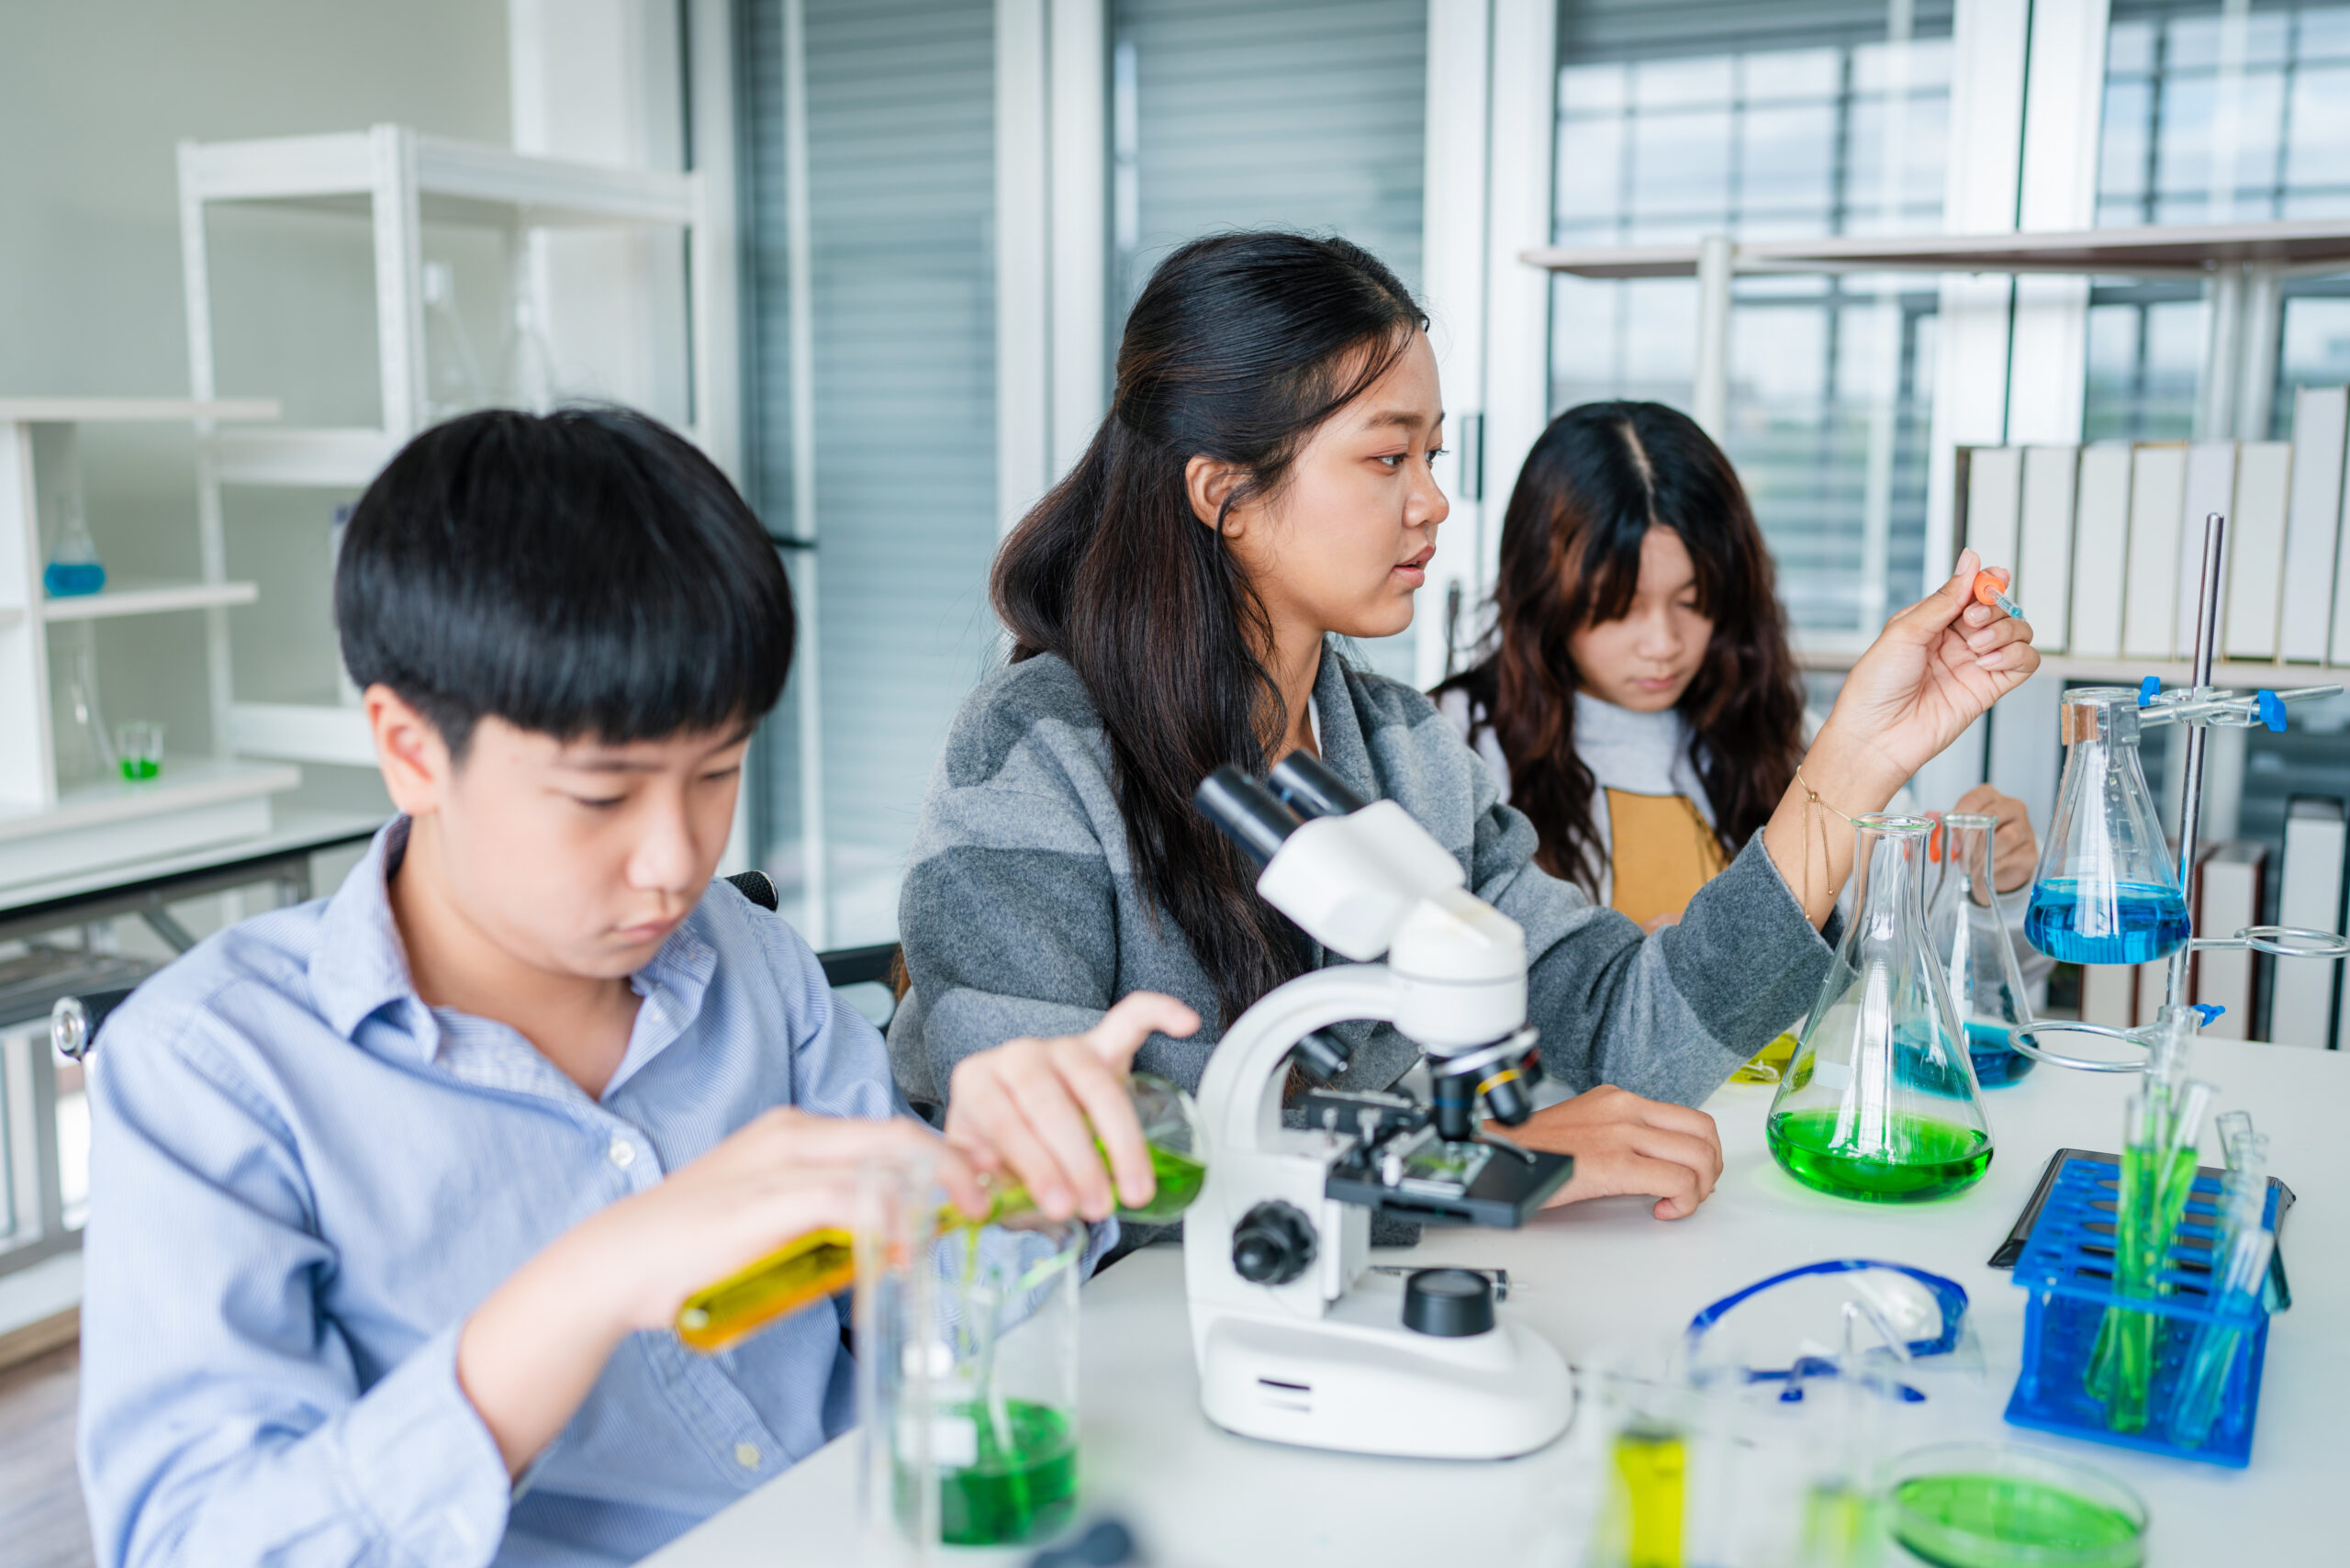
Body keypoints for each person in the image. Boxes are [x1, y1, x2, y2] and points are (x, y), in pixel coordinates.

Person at [76, 408, 1196, 1568]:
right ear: (411, 750)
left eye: (717, 771)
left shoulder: (744, 957)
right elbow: (192, 1542)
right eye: (602, 797)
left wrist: (1007, 1178)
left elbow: (940, 1319)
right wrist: (592, 1281)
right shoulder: (217, 1070)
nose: (675, 861)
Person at [887, 233, 2037, 1225]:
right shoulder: (1035, 749)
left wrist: (1857, 758)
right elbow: (1030, 1160)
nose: (1433, 500)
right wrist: (1461, 1159)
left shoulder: (1401, 751)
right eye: (1387, 457)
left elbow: (1630, 1034)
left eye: (1431, 456)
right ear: (1223, 491)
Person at [1431, 402, 2048, 1023]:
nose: (1663, 644)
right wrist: (1633, 980)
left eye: (1693, 601)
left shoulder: (1792, 739)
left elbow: (1928, 971)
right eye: (1618, 608)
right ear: (1543, 594)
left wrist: (1996, 891)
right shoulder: (1453, 747)